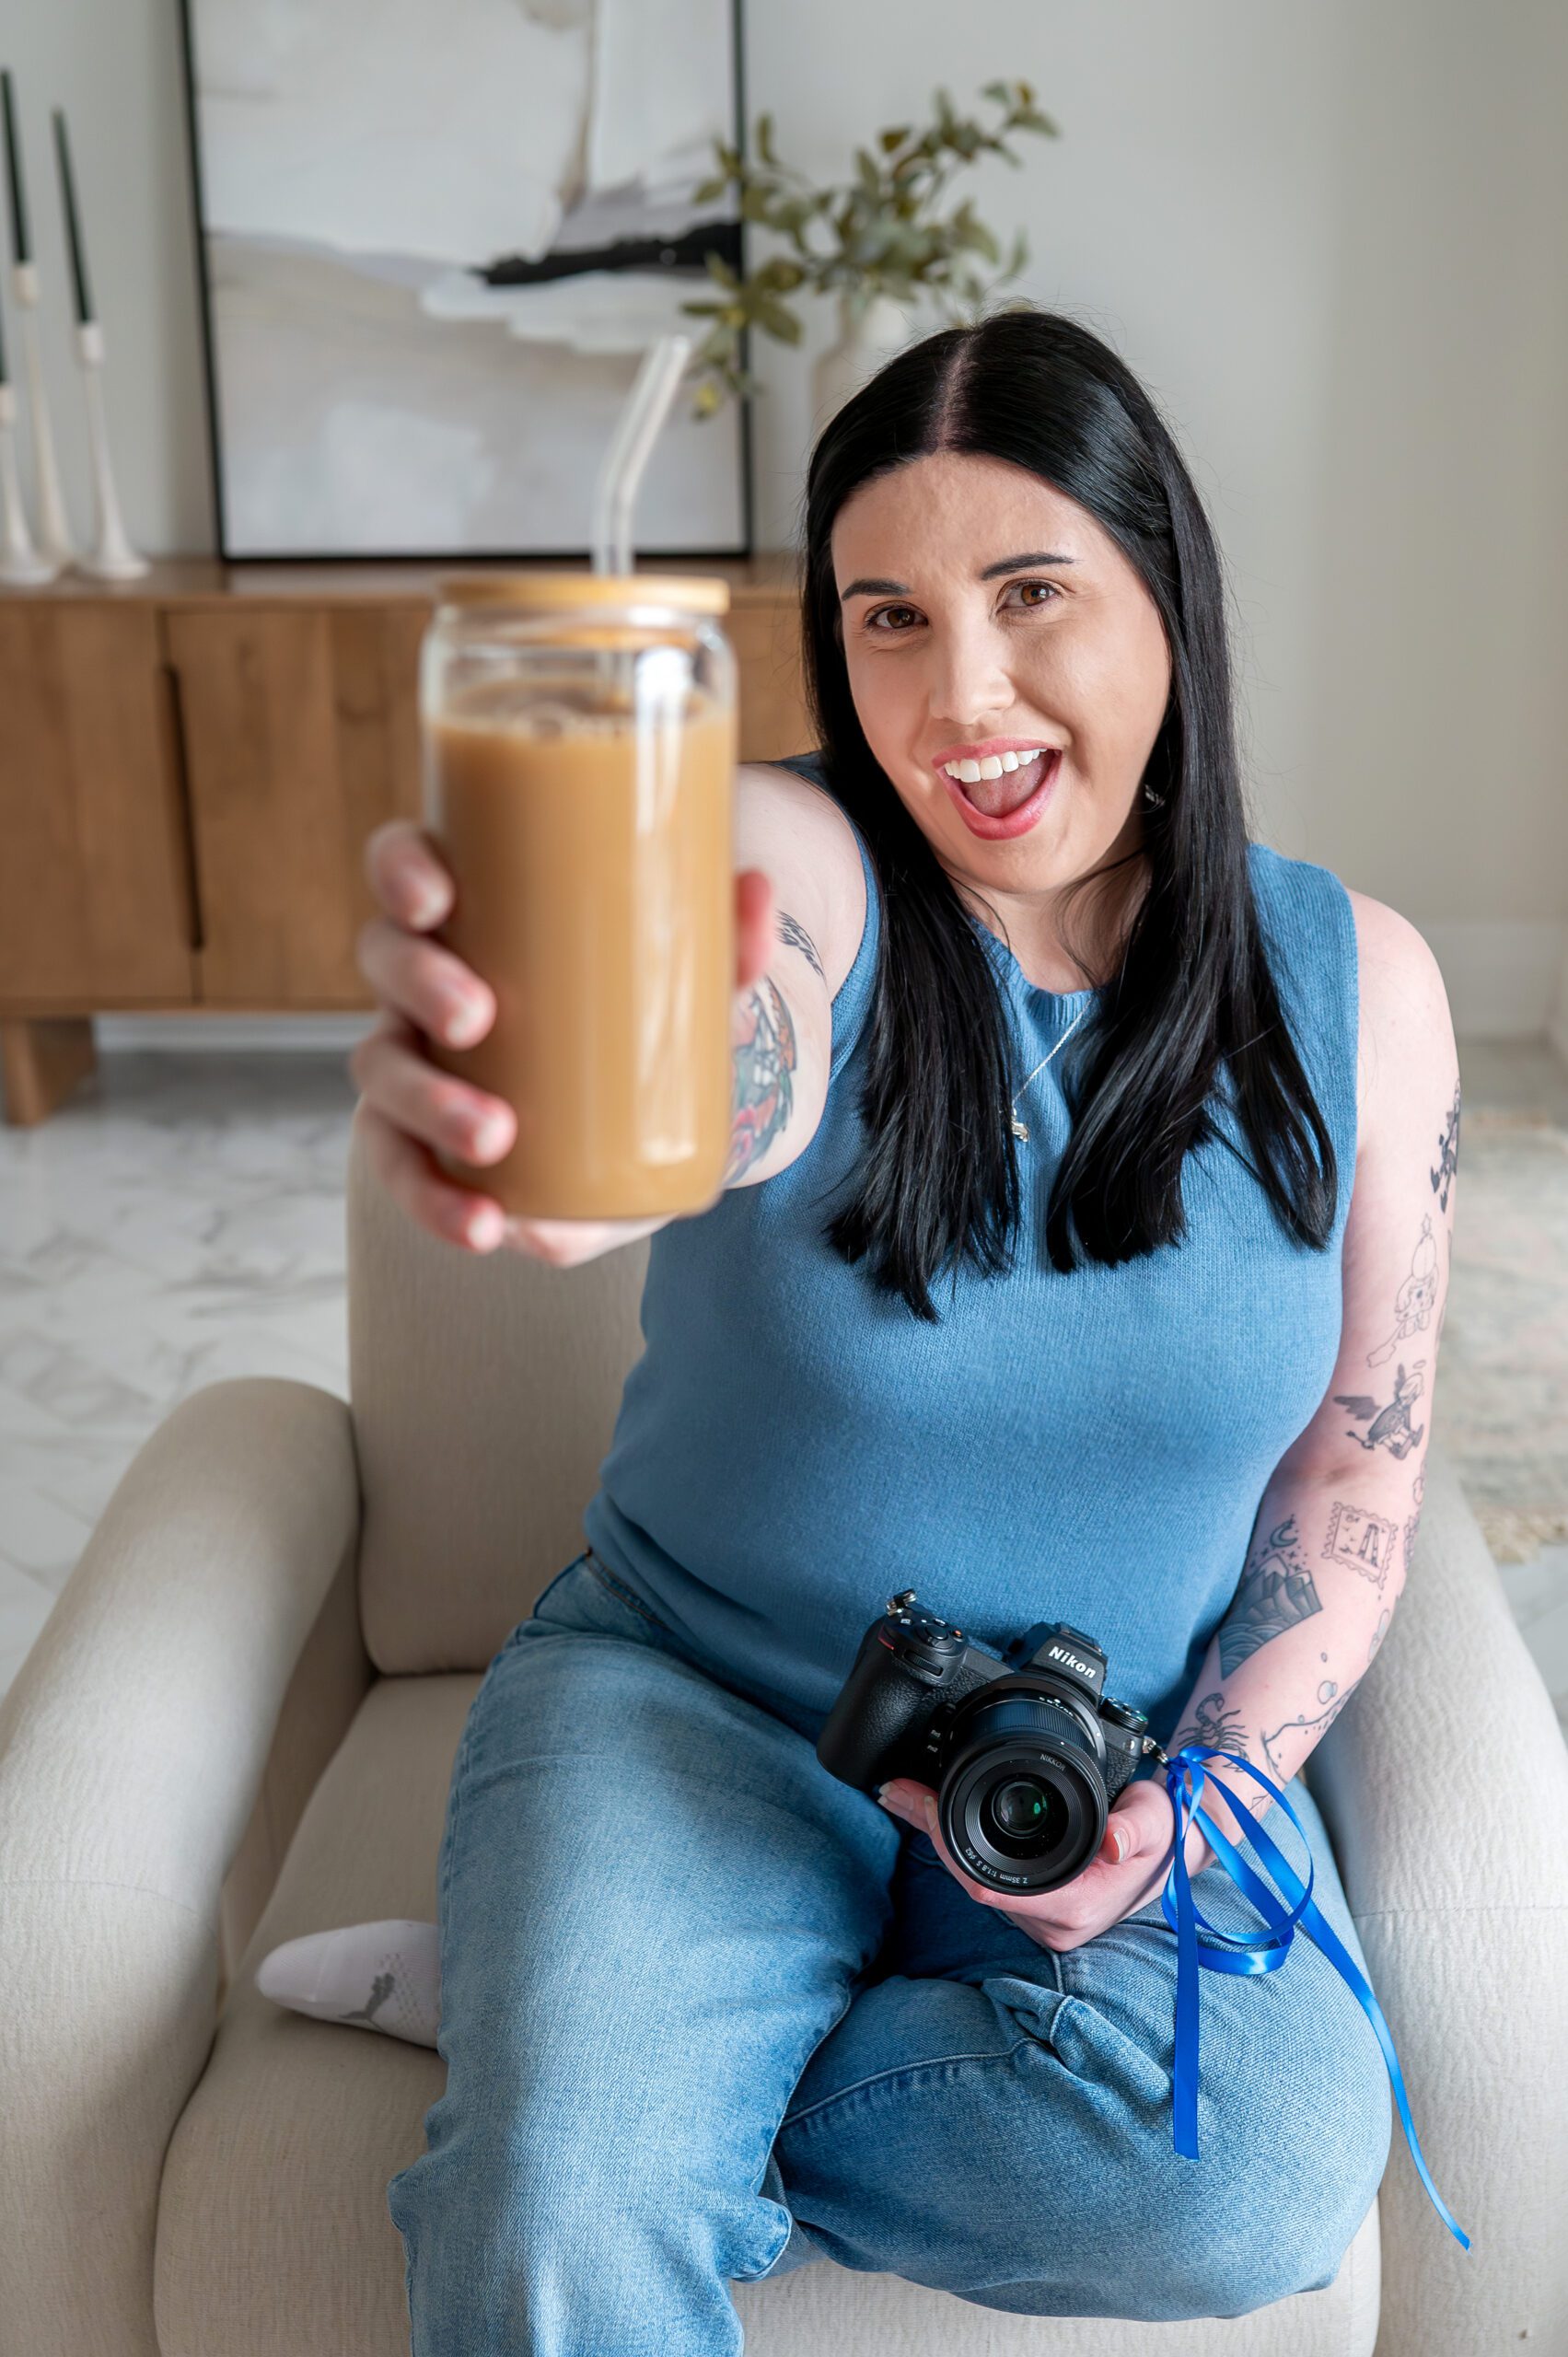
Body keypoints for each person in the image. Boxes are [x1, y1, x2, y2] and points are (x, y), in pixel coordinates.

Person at [273, 307, 1460, 2350]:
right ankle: (583, 2056)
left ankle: (561, 2026)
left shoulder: (1362, 981)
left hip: (1102, 1756)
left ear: (1166, 593)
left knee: (1247, 2175)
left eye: (1029, 595)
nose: (960, 696)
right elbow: (730, 1025)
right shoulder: (796, 851)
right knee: (568, 2205)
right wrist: (588, 1111)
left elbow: (1360, 1452)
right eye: (888, 618)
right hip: (700, 1709)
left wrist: (1223, 1795)